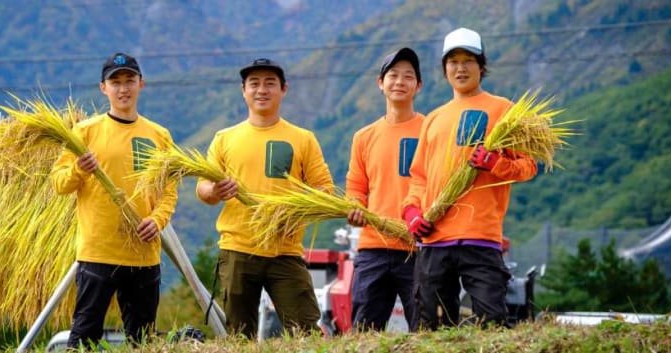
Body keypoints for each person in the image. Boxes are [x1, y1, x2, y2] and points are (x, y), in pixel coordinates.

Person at [401, 28, 537, 330]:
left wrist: (495, 163)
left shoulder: (503, 110)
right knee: (429, 326)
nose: (460, 68)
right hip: (435, 237)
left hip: (482, 236)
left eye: (468, 60)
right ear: (444, 69)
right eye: (453, 62)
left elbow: (528, 165)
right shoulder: (434, 118)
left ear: (481, 66)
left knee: (492, 321)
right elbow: (418, 177)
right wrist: (411, 212)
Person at [196, 58, 334, 338]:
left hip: (285, 250)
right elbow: (203, 189)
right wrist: (215, 191)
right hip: (237, 249)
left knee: (305, 333)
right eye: (254, 83)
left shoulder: (302, 138)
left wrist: (291, 209)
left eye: (270, 83)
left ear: (284, 89)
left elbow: (325, 190)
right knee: (238, 336)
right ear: (243, 90)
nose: (262, 90)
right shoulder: (225, 138)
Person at [51, 52, 178, 348]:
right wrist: (79, 170)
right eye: (116, 82)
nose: (123, 88)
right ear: (103, 88)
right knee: (84, 337)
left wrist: (157, 221)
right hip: (98, 252)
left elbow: (169, 191)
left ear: (141, 84)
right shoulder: (85, 131)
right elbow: (59, 183)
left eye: (129, 80)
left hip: (144, 254)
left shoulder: (159, 135)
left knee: (143, 340)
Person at [345, 48, 424, 332]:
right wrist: (355, 208)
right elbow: (356, 187)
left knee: (425, 330)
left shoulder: (431, 130)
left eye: (408, 76)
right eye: (393, 75)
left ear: (419, 85)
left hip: (418, 248)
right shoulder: (364, 137)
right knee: (364, 332)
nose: (400, 82)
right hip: (373, 248)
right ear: (381, 83)